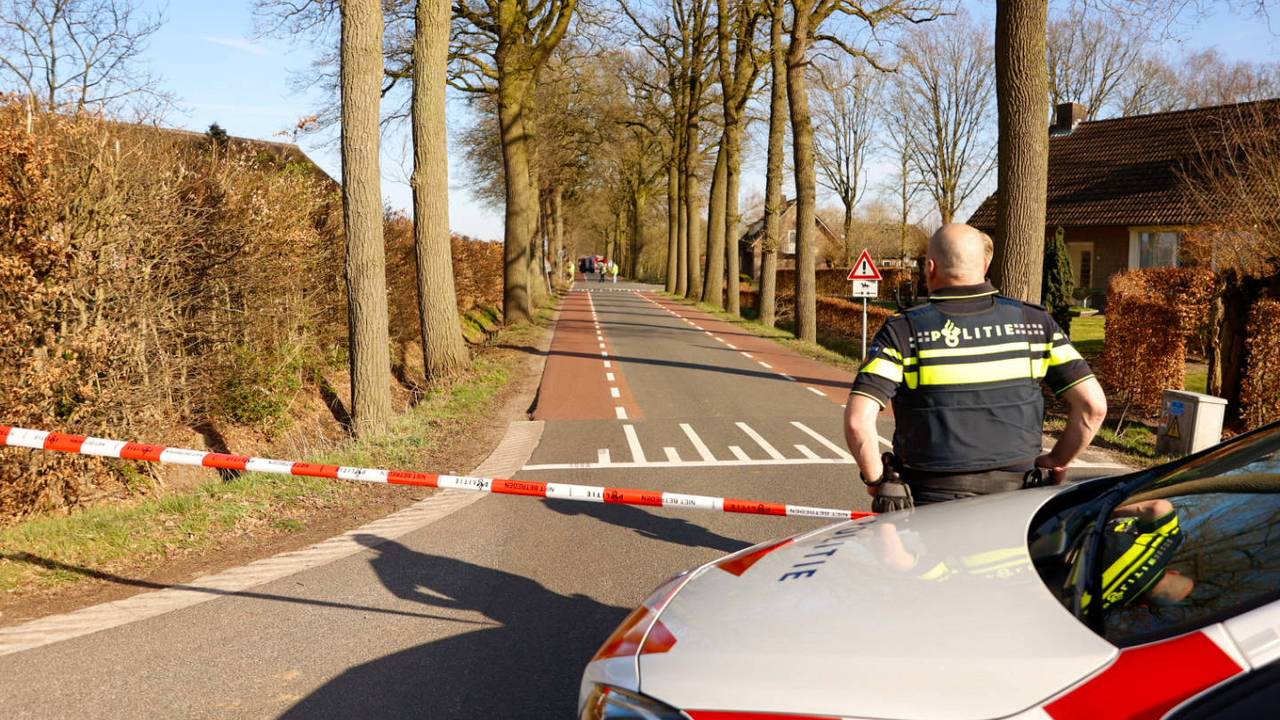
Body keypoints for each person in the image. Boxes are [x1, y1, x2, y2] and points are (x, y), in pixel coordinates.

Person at [843, 223, 1108, 510]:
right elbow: (1093, 407)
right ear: (985, 264)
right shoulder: (1034, 323)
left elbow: (858, 421)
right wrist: (1057, 461)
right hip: (1020, 500)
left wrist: (876, 480)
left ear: (930, 268)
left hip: (930, 501)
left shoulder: (904, 330)